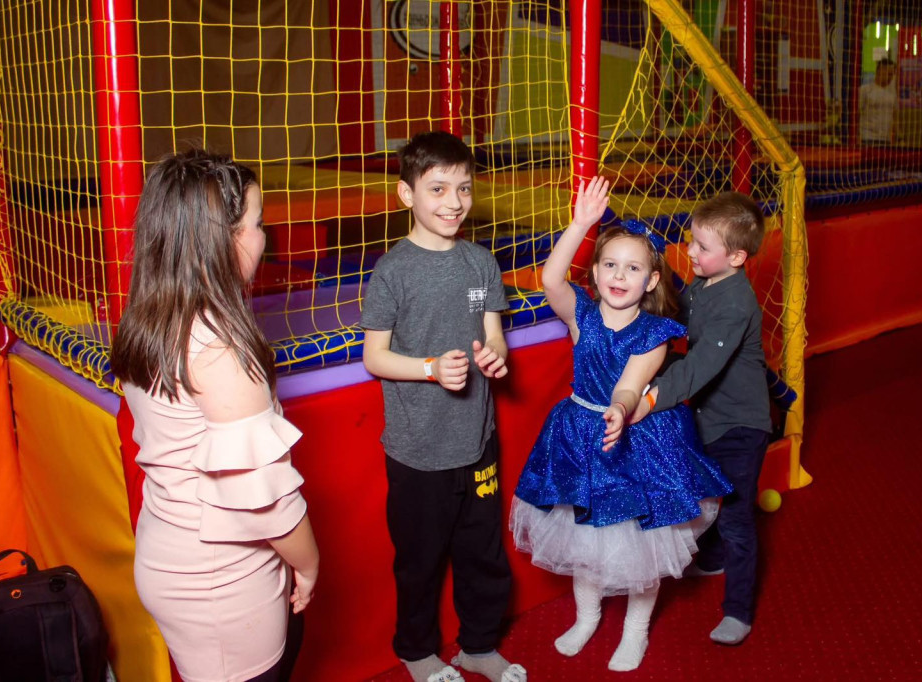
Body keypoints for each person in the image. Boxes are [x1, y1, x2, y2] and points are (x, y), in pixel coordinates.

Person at [111, 149, 319, 682]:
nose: (264, 237)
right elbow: (265, 498)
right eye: (257, 224)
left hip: (173, 551)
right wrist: (309, 563)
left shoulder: (153, 315)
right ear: (221, 240)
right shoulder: (218, 348)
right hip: (221, 579)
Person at [510, 177, 732, 672]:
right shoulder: (582, 316)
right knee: (585, 538)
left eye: (632, 268)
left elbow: (631, 386)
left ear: (650, 281)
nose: (619, 275)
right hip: (579, 436)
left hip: (635, 439)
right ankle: (587, 617)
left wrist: (620, 408)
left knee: (641, 546)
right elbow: (551, 279)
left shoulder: (655, 333)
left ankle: (635, 630)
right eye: (610, 264)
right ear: (594, 272)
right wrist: (581, 224)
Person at [360, 131, 526, 682]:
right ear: (407, 194)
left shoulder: (479, 265)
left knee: (483, 552)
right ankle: (416, 651)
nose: (454, 202)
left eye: (464, 188)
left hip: (477, 441)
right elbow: (375, 357)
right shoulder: (393, 272)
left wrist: (495, 355)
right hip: (418, 450)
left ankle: (478, 644)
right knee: (420, 559)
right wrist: (429, 368)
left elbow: (492, 331)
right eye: (437, 189)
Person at [633, 190, 773, 646]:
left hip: (740, 427)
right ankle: (712, 559)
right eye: (691, 240)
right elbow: (682, 306)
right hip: (710, 417)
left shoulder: (735, 303)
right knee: (710, 491)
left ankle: (738, 610)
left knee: (735, 516)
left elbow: (698, 368)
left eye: (701, 246)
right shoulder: (707, 282)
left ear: (736, 257)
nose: (691, 251)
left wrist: (650, 399)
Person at [860, 58, 898, 145]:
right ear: (880, 72)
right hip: (867, 138)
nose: (891, 77)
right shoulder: (865, 90)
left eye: (892, 74)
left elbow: (894, 116)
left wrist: (897, 136)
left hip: (885, 140)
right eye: (889, 74)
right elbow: (856, 113)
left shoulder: (892, 94)